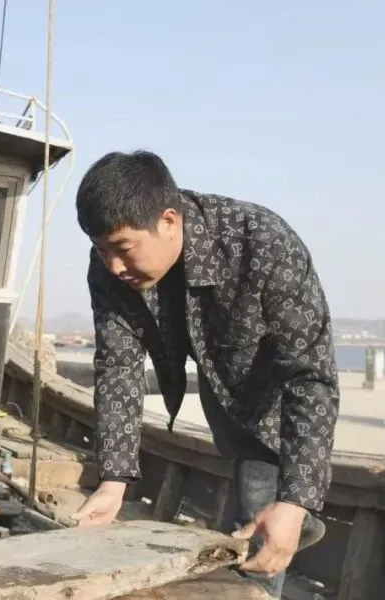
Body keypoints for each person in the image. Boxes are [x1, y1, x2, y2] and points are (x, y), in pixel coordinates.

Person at [70, 150, 339, 598]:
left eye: (123, 249)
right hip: (220, 383)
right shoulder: (109, 269)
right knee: (249, 491)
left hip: (271, 391)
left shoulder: (263, 242)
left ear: (168, 221)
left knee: (261, 501)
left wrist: (294, 502)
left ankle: (278, 547)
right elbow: (118, 367)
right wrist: (112, 482)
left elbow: (310, 376)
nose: (113, 266)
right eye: (101, 250)